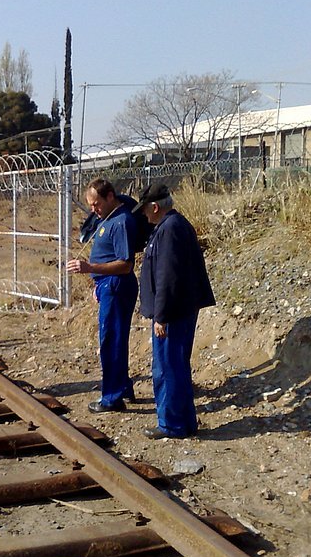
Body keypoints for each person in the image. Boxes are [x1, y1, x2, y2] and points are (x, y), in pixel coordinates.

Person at [133, 183, 216, 439]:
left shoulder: (169, 229)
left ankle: (172, 424)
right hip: (179, 309)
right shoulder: (173, 226)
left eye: (146, 211)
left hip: (173, 312)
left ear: (155, 207)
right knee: (175, 365)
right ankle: (184, 422)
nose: (145, 216)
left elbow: (167, 277)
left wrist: (161, 316)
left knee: (167, 367)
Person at [68, 178, 138, 413]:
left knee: (111, 341)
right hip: (108, 286)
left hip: (117, 286)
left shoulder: (121, 222)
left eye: (96, 204)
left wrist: (90, 268)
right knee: (115, 340)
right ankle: (123, 386)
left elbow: (125, 264)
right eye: (90, 205)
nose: (93, 209)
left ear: (110, 197)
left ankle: (112, 397)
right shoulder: (105, 219)